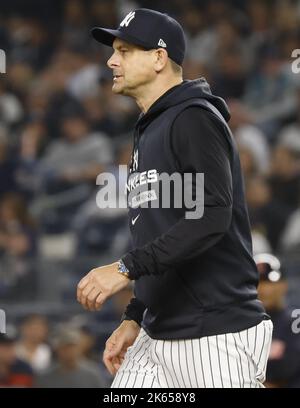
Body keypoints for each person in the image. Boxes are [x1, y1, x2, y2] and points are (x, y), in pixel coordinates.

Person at [77, 8, 273, 388]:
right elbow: (159, 233)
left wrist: (123, 269)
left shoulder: (193, 117)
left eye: (125, 50)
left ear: (159, 58)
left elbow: (212, 215)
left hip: (214, 332)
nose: (111, 60)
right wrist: (136, 312)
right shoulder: (150, 128)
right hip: (158, 332)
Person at [255, 253, 300, 388]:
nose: (266, 290)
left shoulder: (295, 318)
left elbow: (289, 366)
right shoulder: (240, 323)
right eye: (260, 283)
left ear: (283, 285)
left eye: (270, 283)